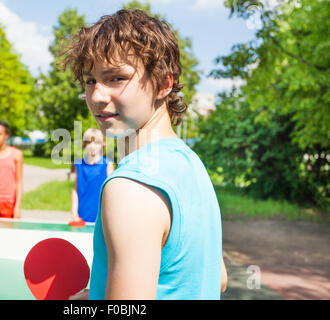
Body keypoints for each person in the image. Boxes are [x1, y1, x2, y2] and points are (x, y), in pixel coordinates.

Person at [64, 9, 226, 299]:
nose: (97, 96)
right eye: (90, 80)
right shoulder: (191, 166)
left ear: (164, 84)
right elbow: (217, 278)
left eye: (116, 78)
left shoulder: (130, 187)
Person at [71, 128, 114, 223]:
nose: (92, 146)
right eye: (89, 143)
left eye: (97, 143)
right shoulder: (78, 164)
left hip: (102, 218)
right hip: (82, 216)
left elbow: (112, 192)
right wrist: (74, 213)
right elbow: (75, 190)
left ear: (103, 144)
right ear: (84, 145)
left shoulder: (107, 164)